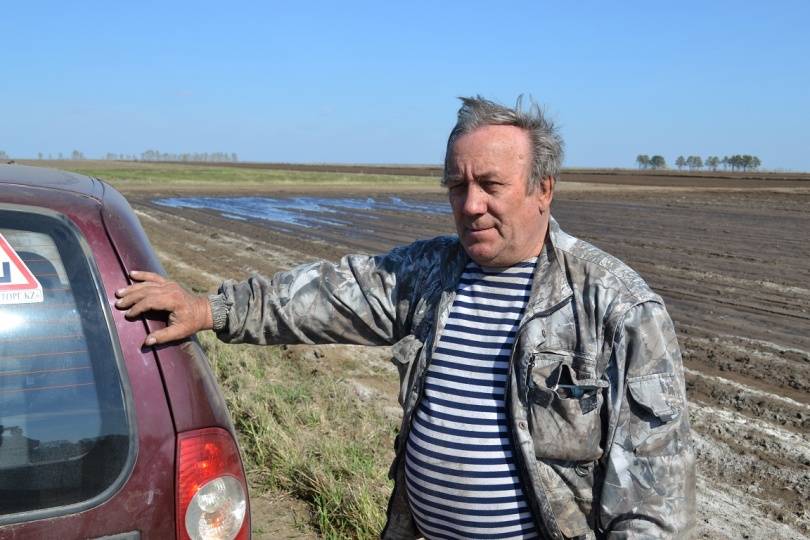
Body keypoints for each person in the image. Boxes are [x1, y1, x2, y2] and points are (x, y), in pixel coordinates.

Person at [116, 96, 696, 539]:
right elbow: (324, 297)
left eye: (491, 185)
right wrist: (209, 308)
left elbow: (654, 495)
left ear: (543, 189)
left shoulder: (614, 306)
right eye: (457, 185)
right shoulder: (430, 273)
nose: (471, 205)